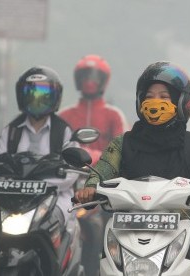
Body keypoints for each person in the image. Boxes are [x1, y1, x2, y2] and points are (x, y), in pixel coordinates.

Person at [75, 61, 190, 267]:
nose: (155, 102)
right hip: (126, 229)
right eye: (149, 97)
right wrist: (90, 187)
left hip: (183, 227)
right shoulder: (123, 143)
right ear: (140, 101)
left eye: (164, 97)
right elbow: (103, 170)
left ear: (182, 103)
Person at [0, 66, 78, 226]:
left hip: (56, 196)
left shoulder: (63, 130)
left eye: (43, 94)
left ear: (55, 97)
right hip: (13, 198)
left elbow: (72, 171)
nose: (37, 98)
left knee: (55, 222)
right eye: (31, 93)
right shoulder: (11, 130)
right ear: (21, 96)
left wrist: (41, 185)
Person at [58, 54, 128, 275]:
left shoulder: (113, 115)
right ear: (77, 79)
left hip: (103, 186)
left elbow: (121, 150)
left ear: (104, 80)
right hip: (68, 184)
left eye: (95, 75)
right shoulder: (65, 115)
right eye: (85, 75)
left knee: (111, 230)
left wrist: (94, 156)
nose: (90, 80)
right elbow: (53, 148)